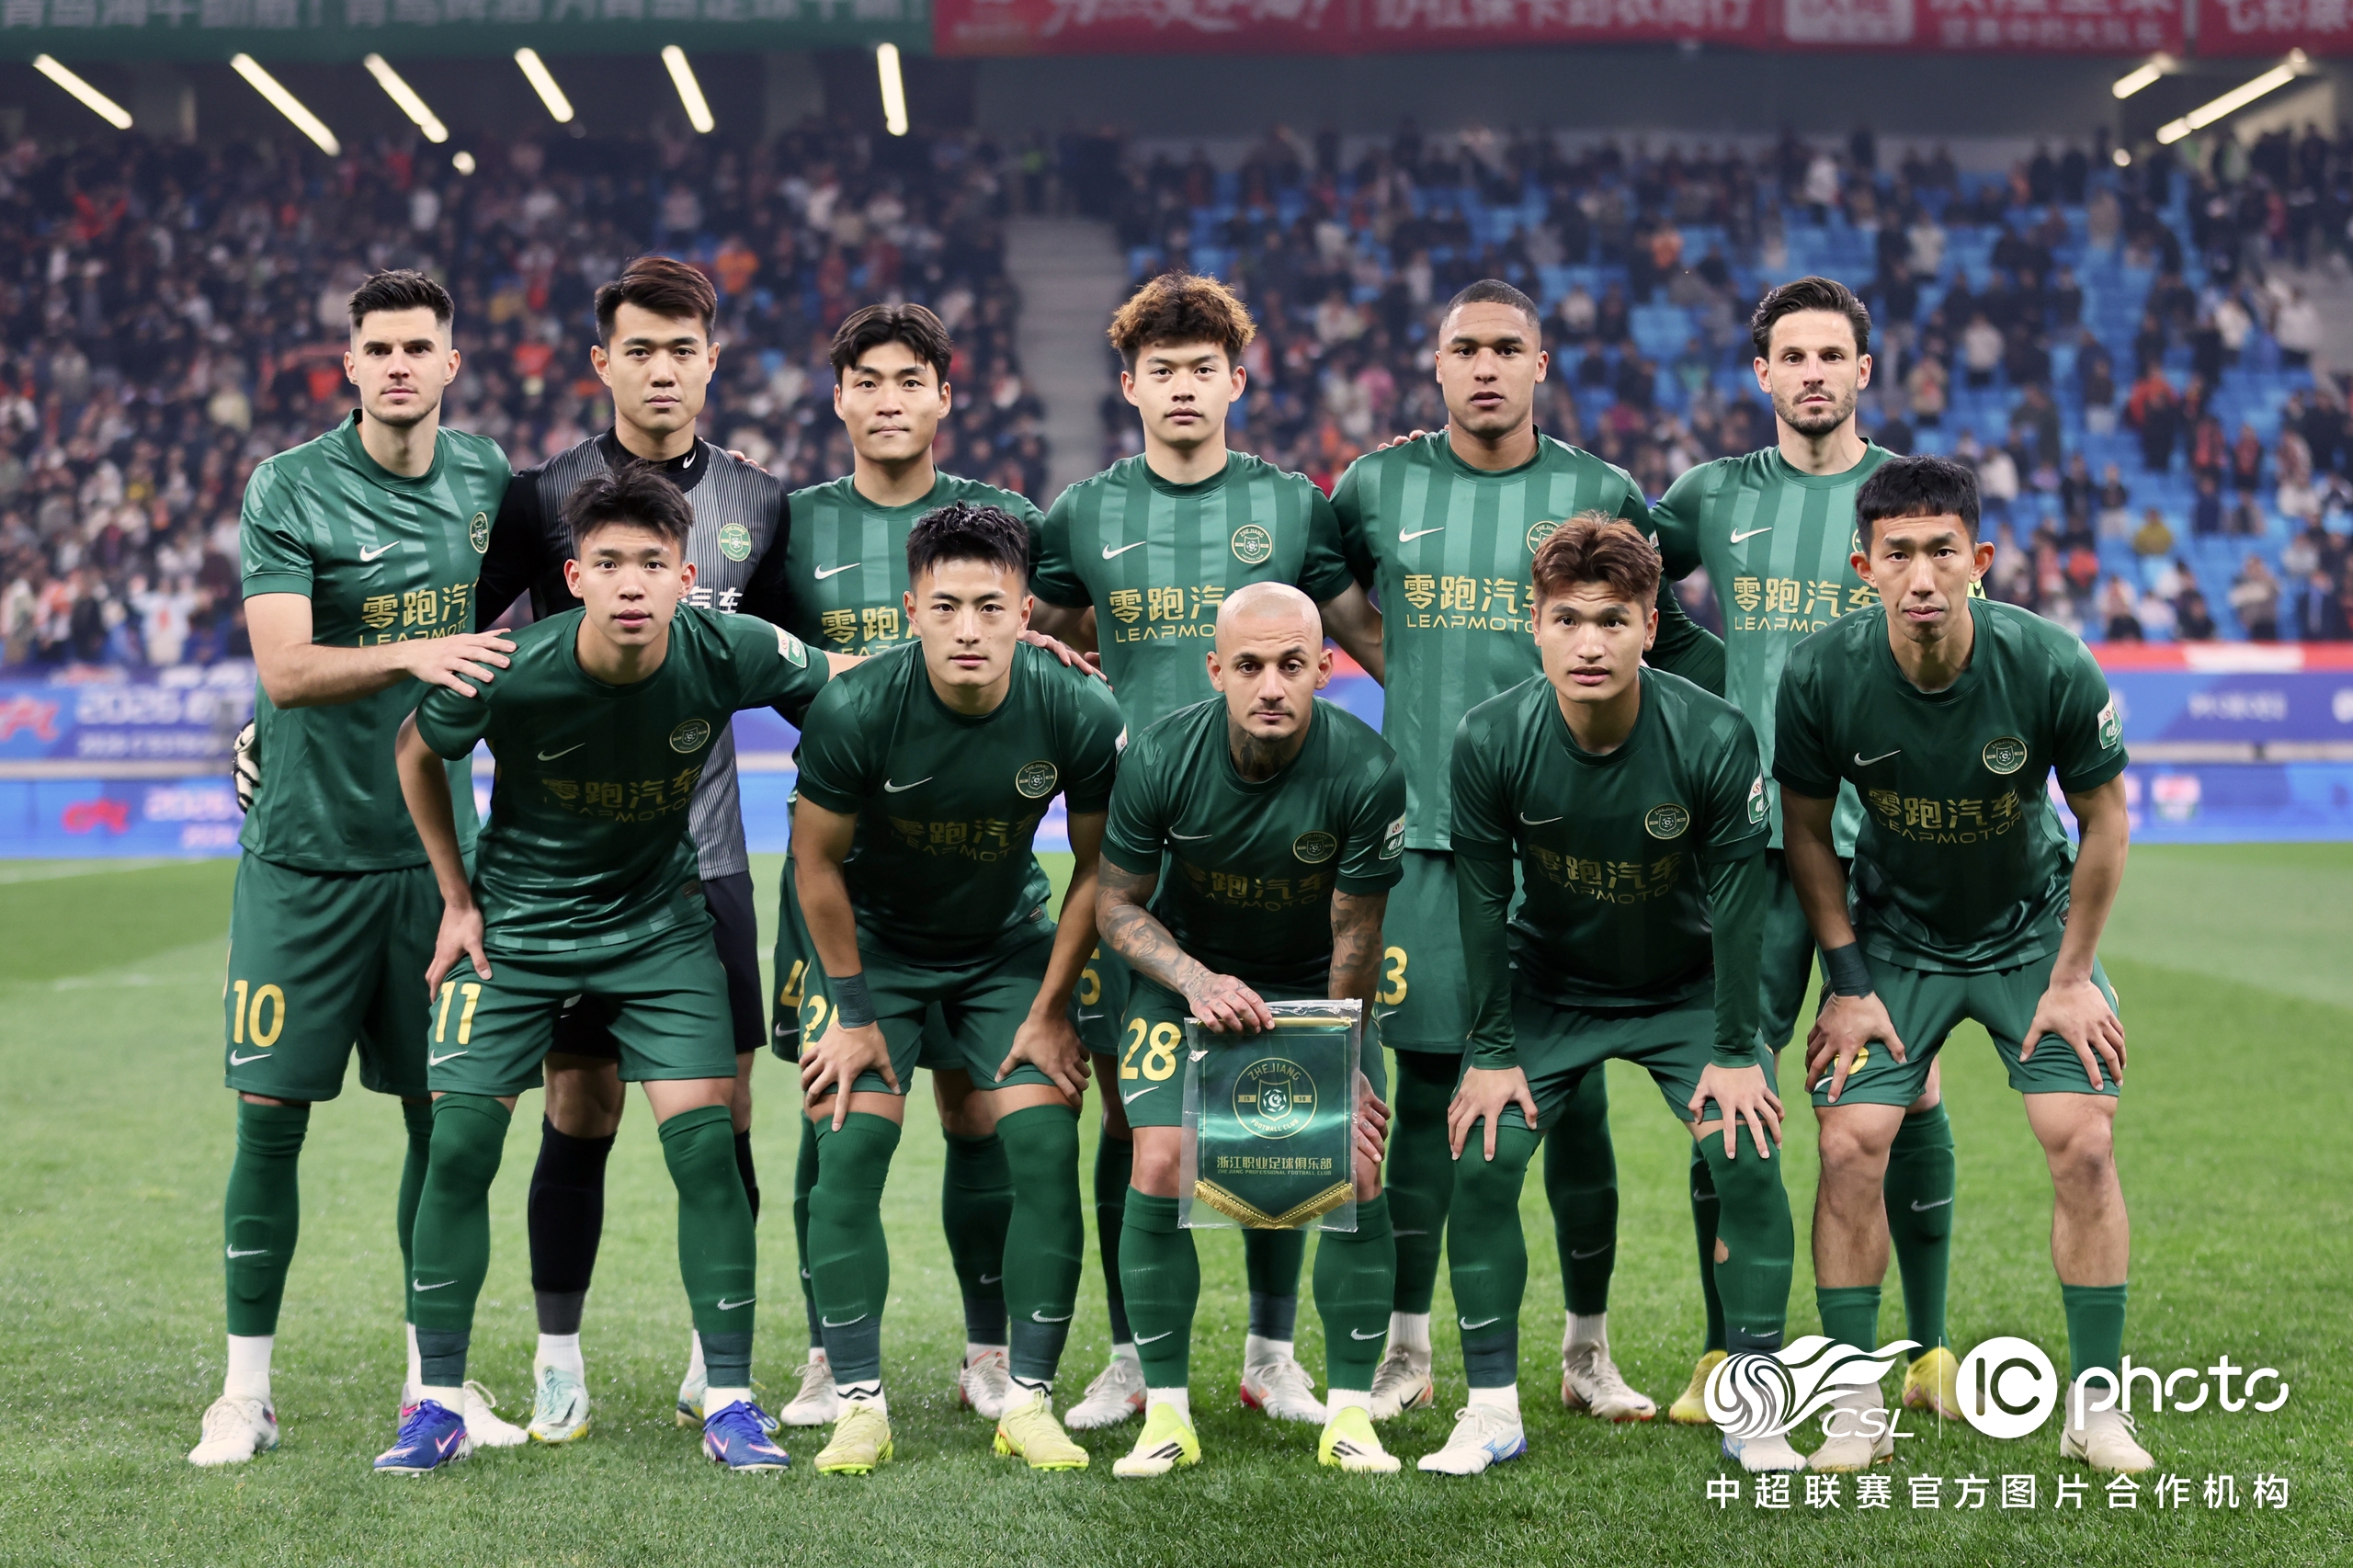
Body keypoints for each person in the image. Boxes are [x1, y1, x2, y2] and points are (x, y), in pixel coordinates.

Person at [387, 463, 848, 1473]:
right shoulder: (512, 665)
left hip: (658, 930)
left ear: (687, 577)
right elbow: (418, 750)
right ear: (573, 577)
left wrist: (993, 651)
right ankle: (437, 1403)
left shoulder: (729, 646)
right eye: (607, 563)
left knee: (706, 1145)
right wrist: (457, 897)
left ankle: (728, 1398)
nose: (630, 582)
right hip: (516, 933)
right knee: (460, 1145)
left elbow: (849, 680)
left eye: (651, 562)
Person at [1333, 278, 1714, 1425]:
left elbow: (1664, 640)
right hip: (1428, 843)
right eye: (1466, 348)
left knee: (1574, 1099)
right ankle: (1406, 1347)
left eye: (1508, 347)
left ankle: (1586, 1348)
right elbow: (1320, 594)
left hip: (1566, 846)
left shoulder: (1601, 493)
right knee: (1426, 1090)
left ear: (1540, 364)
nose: (1486, 365)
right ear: (1436, 364)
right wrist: (1402, 670)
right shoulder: (1375, 485)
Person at [1026, 271, 1384, 1431]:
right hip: (1135, 855)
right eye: (1160, 371)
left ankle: (1271, 1354)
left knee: (1282, 1104)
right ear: (1128, 386)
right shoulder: (1081, 514)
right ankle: (1133, 1355)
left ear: (1237, 381)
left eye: (1202, 369)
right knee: (1131, 1119)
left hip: (1280, 849)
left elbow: (1363, 636)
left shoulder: (1292, 505)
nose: (1182, 388)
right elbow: (1050, 635)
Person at [190, 270, 521, 1468]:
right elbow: (284, 668)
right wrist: (418, 650)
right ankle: (246, 1393)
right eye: (376, 347)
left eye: (417, 346)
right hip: (304, 860)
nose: (397, 364)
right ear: (350, 365)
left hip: (436, 870)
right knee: (269, 1119)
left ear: (451, 363)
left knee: (446, 1123)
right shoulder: (288, 484)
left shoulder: (488, 477)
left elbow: (544, 619)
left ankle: (435, 1384)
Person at [471, 255, 797, 1443]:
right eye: (640, 349)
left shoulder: (762, 500)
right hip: (566, 873)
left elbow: (807, 671)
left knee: (723, 1110)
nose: (662, 369)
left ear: (713, 360)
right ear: (601, 360)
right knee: (581, 1102)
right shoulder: (540, 496)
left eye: (683, 349)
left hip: (705, 860)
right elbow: (454, 650)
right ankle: (558, 1358)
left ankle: (720, 1363)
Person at [1776, 454, 2150, 1474]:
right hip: (1896, 940)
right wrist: (1848, 982)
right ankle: (1855, 1409)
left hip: (2032, 936)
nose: (1922, 576)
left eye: (1942, 551)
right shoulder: (1820, 674)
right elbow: (1805, 831)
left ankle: (2097, 1410)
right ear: (1865, 567)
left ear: (1978, 559)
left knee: (2083, 1142)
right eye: (1897, 554)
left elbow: (2107, 819)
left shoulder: (2049, 662)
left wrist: (2072, 977)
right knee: (1849, 1145)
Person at [1648, 277, 1961, 1427]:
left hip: (1887, 847)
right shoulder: (1710, 494)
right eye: (1793, 355)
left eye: (1833, 355)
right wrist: (1713, 670)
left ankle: (1926, 1348)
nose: (1813, 373)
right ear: (1762, 373)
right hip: (1748, 846)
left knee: (1907, 1088)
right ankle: (1727, 1355)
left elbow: (1955, 645)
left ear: (1862, 371)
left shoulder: (1908, 503)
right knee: (1724, 1083)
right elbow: (1628, 582)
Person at [1430, 513, 1798, 1477]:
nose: (1588, 643)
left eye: (1611, 620)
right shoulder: (1489, 736)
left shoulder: (1713, 734)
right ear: (1535, 625)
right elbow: (1481, 905)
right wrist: (1491, 1051)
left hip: (1685, 987)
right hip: (1550, 984)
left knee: (1746, 1152)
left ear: (1648, 626)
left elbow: (1740, 906)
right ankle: (1491, 1409)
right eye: (1566, 619)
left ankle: (1757, 1411)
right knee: (1483, 1154)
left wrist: (1737, 1050)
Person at [767, 301, 1073, 1432]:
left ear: (947, 393)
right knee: (835, 1110)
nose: (889, 400)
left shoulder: (1011, 520)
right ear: (837, 396)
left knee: (977, 1112)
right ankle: (825, 1353)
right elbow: (731, 647)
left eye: (911, 380)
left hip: (982, 881)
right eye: (868, 380)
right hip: (843, 874)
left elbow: (1073, 639)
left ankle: (989, 1352)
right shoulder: (788, 524)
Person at [790, 501, 1124, 1475]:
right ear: (912, 611)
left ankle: (1028, 1398)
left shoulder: (1077, 708)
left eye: (989, 606)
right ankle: (859, 1403)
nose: (968, 628)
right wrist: (855, 1014)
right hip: (874, 950)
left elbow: (1099, 869)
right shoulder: (856, 707)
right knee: (850, 1141)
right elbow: (815, 864)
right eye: (945, 607)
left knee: (1043, 1142)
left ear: (1026, 612)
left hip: (1004, 947)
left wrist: (1050, 1008)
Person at [1094, 582, 1404, 1478]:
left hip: (1313, 987)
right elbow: (1116, 906)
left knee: (1353, 1164)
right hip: (1183, 981)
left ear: (1325, 667)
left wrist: (1343, 1061)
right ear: (1216, 670)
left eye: (1291, 665)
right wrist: (1195, 979)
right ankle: (1165, 1411)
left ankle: (1350, 1416)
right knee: (1158, 1160)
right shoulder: (1160, 755)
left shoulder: (1367, 769)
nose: (1271, 685)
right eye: (1250, 665)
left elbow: (1355, 937)